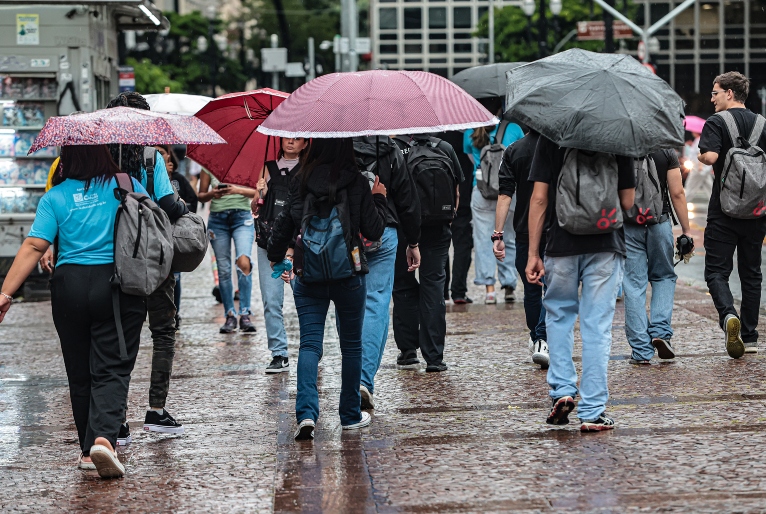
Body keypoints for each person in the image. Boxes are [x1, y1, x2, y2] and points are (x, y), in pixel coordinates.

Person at [0, 145, 148, 478]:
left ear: (66, 160)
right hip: (115, 285)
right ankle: (103, 440)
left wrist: (6, 294)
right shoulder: (127, 185)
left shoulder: (55, 196)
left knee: (79, 370)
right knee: (112, 365)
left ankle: (86, 451)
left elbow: (35, 245)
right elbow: (150, 229)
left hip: (69, 286)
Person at [266, 138, 388, 440]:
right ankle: (349, 416)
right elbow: (374, 230)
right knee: (351, 345)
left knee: (309, 344)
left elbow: (281, 232)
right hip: (349, 272)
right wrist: (379, 198)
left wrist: (277, 255)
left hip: (309, 273)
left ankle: (306, 414)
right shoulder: (357, 182)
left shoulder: (300, 180)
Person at [527, 136, 635, 432]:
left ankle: (562, 390)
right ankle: (592, 411)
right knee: (597, 326)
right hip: (605, 244)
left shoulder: (551, 136)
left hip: (561, 244)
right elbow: (627, 201)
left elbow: (539, 198)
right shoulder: (618, 137)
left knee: (559, 317)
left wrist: (533, 253)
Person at [106, 92, 189, 439]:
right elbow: (169, 205)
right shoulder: (152, 157)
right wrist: (183, 206)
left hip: (114, 258)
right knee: (163, 333)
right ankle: (156, 410)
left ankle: (117, 418)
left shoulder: (100, 159)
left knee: (119, 338)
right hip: (154, 259)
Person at [698, 71, 766, 358]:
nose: (711, 98)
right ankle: (749, 336)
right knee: (751, 273)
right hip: (756, 211)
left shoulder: (715, 122)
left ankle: (728, 316)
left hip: (723, 212)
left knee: (716, 271)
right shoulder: (762, 123)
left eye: (715, 92)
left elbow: (711, 157)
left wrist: (701, 156)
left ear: (729, 93)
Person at [353, 135, 421, 409]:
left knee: (348, 304)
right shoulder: (390, 149)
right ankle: (364, 378)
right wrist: (413, 242)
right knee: (377, 303)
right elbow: (407, 199)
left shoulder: (335, 143)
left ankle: (354, 377)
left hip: (346, 231)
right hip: (384, 229)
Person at [392, 134, 463, 372]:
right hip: (438, 228)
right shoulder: (445, 147)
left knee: (403, 284)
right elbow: (456, 192)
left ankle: (408, 351)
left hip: (404, 227)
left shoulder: (395, 148)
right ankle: (434, 357)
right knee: (433, 286)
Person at [623, 150, 692, 364]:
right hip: (659, 223)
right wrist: (686, 231)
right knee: (663, 277)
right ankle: (661, 332)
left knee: (634, 286)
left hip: (629, 225)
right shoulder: (666, 151)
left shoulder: (621, 147)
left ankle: (641, 351)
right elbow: (677, 193)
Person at [251, 137, 308, 373]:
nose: (291, 142)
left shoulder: (308, 170)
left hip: (300, 245)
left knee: (305, 299)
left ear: (306, 143)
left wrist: (294, 247)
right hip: (269, 243)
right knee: (271, 300)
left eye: (297, 139)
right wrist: (258, 193)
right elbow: (257, 208)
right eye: (287, 138)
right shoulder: (269, 167)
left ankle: (311, 348)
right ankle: (279, 353)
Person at [493, 130, 549, 368]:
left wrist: (498, 234)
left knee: (532, 288)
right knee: (554, 287)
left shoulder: (514, 150)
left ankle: (538, 337)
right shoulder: (557, 147)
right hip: (556, 227)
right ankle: (542, 338)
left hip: (525, 229)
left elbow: (505, 195)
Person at [464, 121, 524, 304]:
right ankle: (509, 285)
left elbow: (472, 160)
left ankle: (489, 290)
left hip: (481, 191)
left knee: (483, 240)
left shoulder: (469, 130)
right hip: (508, 191)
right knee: (508, 239)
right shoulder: (514, 129)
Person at [197, 168, 258, 334]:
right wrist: (212, 194)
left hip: (242, 218)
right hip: (218, 221)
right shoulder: (208, 165)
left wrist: (236, 190)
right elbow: (200, 195)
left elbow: (257, 192)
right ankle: (230, 315)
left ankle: (245, 313)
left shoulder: (245, 163)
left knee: (244, 261)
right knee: (223, 270)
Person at [156, 144, 198, 331]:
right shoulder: (149, 175)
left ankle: (174, 313)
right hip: (155, 233)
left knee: (175, 276)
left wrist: (184, 212)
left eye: (162, 153)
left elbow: (193, 199)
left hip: (172, 233)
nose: (158, 156)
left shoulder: (178, 179)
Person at [439, 131, 474, 304]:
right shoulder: (468, 138)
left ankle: (442, 289)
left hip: (439, 200)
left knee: (441, 246)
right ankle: (458, 291)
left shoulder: (436, 141)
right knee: (463, 245)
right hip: (464, 197)